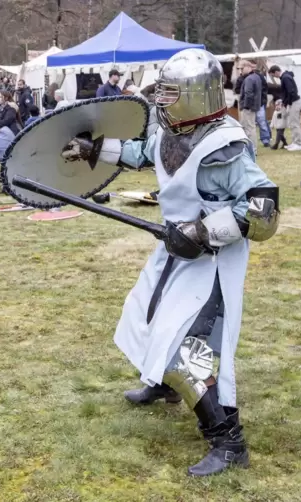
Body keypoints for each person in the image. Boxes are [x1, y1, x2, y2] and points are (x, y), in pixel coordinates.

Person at [63, 48, 279, 477]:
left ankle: (228, 440)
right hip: (173, 249)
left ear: (195, 95)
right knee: (143, 318)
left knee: (185, 349)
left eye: (169, 93)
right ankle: (163, 386)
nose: (160, 101)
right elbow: (142, 152)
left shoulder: (227, 146)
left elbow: (263, 208)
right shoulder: (172, 131)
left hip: (213, 259)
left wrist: (202, 231)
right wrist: (95, 149)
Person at [269, 64, 301, 151]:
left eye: (273, 75)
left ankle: (298, 143)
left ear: (276, 72)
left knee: (295, 123)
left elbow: (291, 92)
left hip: (293, 102)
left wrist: (286, 102)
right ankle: (295, 142)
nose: (274, 77)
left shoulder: (285, 78)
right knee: (292, 123)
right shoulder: (285, 77)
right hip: (291, 102)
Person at [239, 60, 262, 151]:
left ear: (248, 67)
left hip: (248, 107)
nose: (241, 71)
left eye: (242, 68)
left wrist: (246, 106)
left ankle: (252, 149)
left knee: (249, 128)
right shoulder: (256, 77)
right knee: (250, 127)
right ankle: (251, 148)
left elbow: (248, 93)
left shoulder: (249, 79)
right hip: (253, 106)